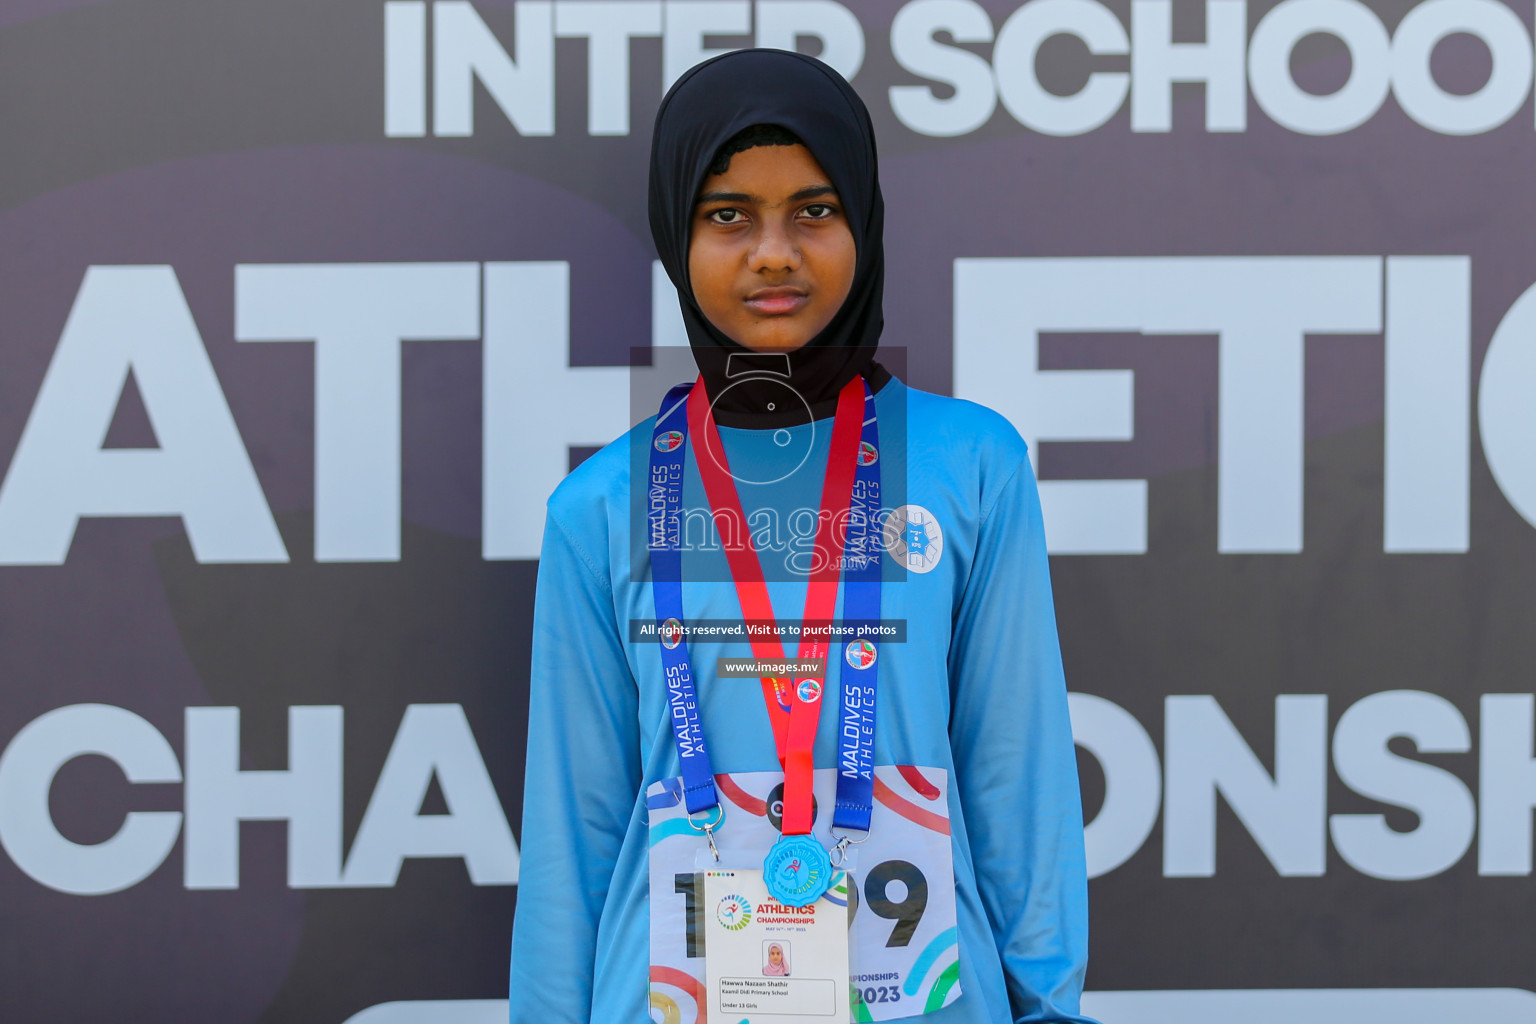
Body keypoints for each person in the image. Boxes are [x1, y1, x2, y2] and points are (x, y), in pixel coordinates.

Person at [508, 48, 1096, 1024]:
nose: (772, 251)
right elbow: (575, 828)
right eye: (727, 214)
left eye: (813, 211)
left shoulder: (971, 465)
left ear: (862, 226)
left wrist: (1052, 1009)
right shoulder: (601, 505)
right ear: (673, 236)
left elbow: (1015, 776)